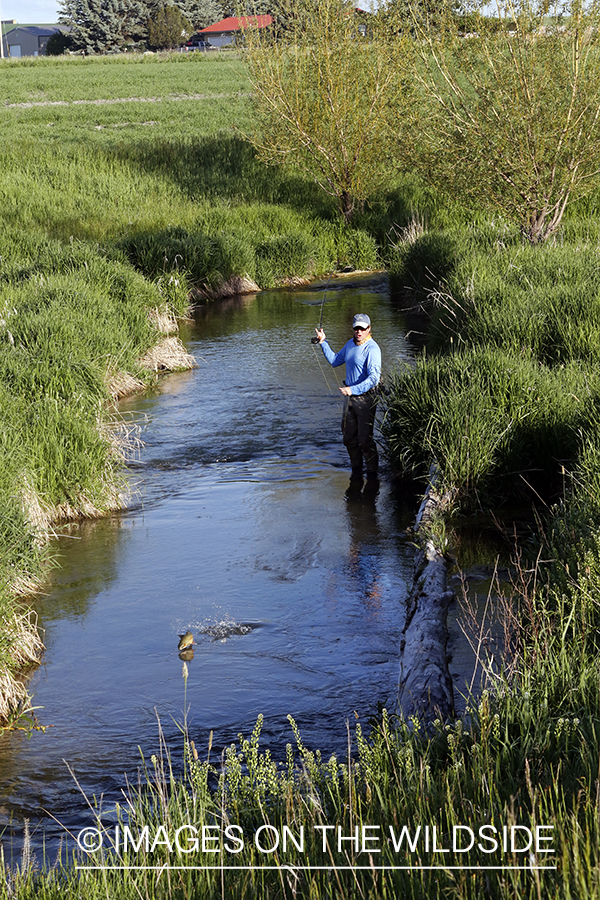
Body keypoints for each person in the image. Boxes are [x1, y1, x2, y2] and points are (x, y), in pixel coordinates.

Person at [315, 313, 382, 482]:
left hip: (366, 398)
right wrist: (323, 342)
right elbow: (335, 361)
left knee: (365, 440)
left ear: (369, 329)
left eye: (363, 328)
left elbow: (374, 378)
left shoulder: (372, 349)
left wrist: (353, 389)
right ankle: (357, 471)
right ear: (352, 329)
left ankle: (373, 475)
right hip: (350, 398)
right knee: (348, 438)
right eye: (356, 328)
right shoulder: (350, 345)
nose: (359, 331)